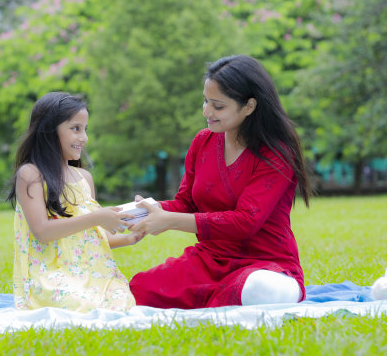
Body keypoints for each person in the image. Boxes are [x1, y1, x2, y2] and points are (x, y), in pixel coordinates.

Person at [129, 55, 312, 309]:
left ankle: (254, 294)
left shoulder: (276, 152)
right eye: (205, 101)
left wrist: (170, 221)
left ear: (249, 106)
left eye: (218, 106)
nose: (206, 111)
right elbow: (186, 204)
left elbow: (246, 221)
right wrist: (142, 212)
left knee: (258, 290)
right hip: (210, 261)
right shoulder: (202, 142)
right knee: (138, 291)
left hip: (265, 265)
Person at [6, 92, 143, 312]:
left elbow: (92, 237)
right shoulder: (31, 174)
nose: (84, 138)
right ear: (50, 130)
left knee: (121, 302)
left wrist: (130, 238)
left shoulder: (83, 178)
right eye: (75, 129)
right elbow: (42, 231)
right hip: (52, 276)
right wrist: (96, 217)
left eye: (85, 129)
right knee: (81, 305)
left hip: (93, 272)